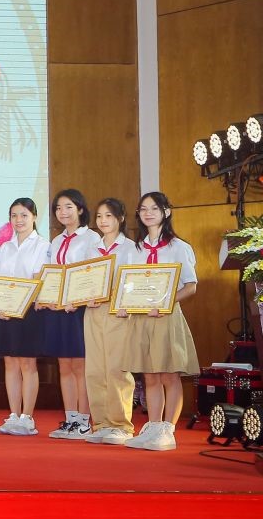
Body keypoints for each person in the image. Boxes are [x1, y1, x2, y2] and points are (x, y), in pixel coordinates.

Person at [122, 191, 201, 452]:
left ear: (166, 212)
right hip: (141, 318)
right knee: (150, 374)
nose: (148, 213)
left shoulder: (179, 247)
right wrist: (124, 303)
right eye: (143, 209)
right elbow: (129, 284)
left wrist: (165, 304)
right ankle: (153, 426)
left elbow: (190, 286)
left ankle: (168, 430)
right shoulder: (135, 248)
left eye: (154, 208)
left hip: (167, 317)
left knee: (169, 374)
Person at [43, 189, 101, 440]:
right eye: (58, 208)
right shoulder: (56, 241)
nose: (62, 212)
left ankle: (84, 421)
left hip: (80, 310)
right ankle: (70, 419)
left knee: (80, 366)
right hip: (58, 310)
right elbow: (51, 274)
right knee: (64, 365)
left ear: (80, 209)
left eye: (68, 207)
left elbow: (93, 274)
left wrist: (76, 300)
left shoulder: (91, 238)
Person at [82, 198, 140, 445]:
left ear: (121, 219)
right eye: (99, 216)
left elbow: (135, 281)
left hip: (119, 312)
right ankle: (102, 423)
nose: (103, 221)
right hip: (93, 311)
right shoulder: (92, 248)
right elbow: (84, 279)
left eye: (108, 216)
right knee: (95, 369)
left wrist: (127, 304)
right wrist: (85, 296)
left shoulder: (131, 248)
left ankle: (121, 425)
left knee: (117, 369)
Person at [0, 197, 47, 436]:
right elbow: (0, 281)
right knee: (10, 363)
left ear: (34, 217)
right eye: (14, 216)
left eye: (24, 215)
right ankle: (13, 414)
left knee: (27, 363)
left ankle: (27, 417)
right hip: (6, 312)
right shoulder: (5, 247)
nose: (19, 220)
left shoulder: (42, 245)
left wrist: (16, 303)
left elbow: (37, 280)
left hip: (29, 311)